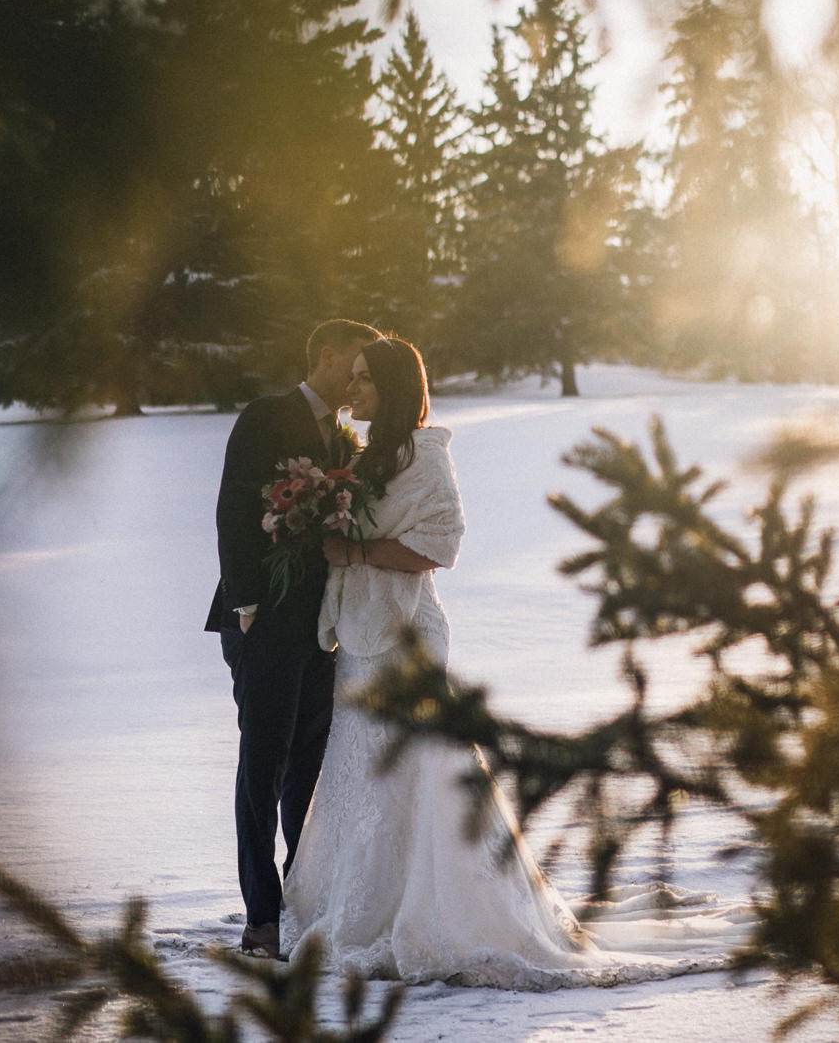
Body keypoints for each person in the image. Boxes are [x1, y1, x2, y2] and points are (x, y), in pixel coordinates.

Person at [281, 336, 739, 989]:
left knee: (416, 769)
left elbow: (437, 546)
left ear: (392, 387)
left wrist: (353, 552)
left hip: (407, 637)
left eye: (362, 380)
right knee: (361, 766)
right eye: (350, 378)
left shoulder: (426, 459)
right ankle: (354, 901)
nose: (351, 391)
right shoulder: (362, 458)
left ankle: (437, 908)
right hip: (359, 636)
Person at [208, 317, 381, 959]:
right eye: (355, 366)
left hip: (321, 628)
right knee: (262, 763)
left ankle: (299, 897)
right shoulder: (264, 416)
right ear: (326, 358)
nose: (359, 379)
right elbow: (232, 511)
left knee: (308, 768)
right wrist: (247, 603)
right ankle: (260, 919)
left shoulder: (344, 438)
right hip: (262, 620)